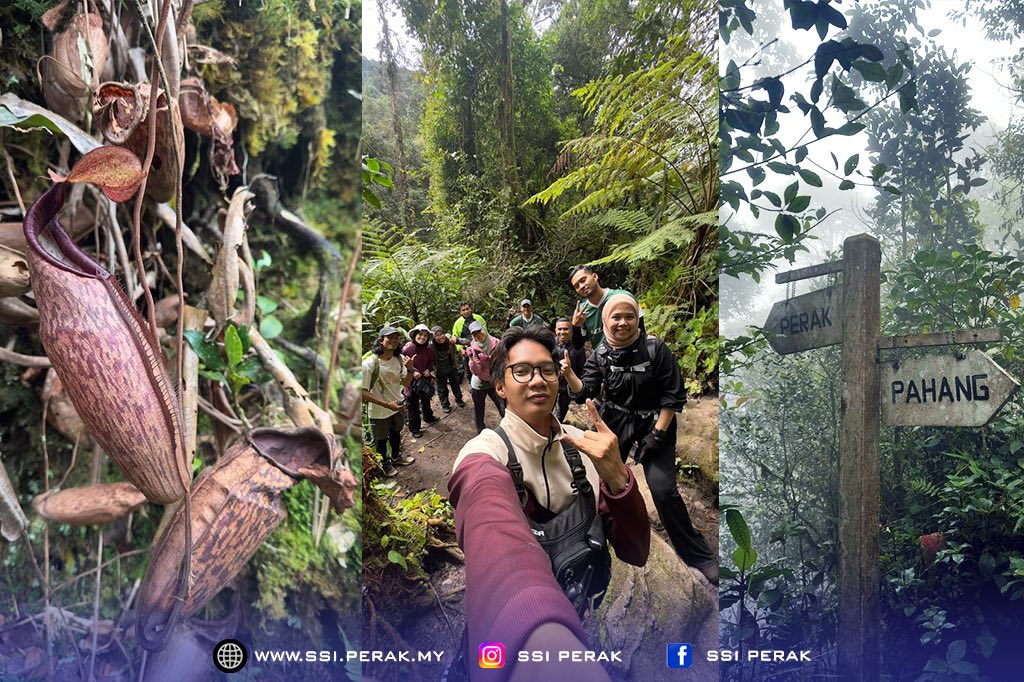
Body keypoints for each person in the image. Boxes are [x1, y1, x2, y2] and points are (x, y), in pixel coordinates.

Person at [448, 325, 649, 682]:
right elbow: (489, 519)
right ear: (500, 387)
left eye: (547, 370)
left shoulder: (583, 445)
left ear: (558, 378)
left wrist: (619, 478)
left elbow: (634, 552)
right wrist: (540, 637)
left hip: (580, 603)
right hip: (518, 634)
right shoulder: (484, 453)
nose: (537, 380)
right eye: (521, 371)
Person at [562, 294, 718, 584]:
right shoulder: (600, 353)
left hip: (656, 421)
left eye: (629, 316)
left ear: (638, 318)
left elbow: (673, 395)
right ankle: (599, 537)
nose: (622, 323)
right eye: (616, 317)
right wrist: (570, 374)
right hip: (616, 420)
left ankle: (699, 555)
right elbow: (586, 390)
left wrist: (657, 434)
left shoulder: (655, 349)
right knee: (601, 479)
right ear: (605, 321)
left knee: (663, 490)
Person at [361, 325, 415, 477]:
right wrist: (386, 405)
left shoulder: (398, 359)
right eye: (389, 338)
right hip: (379, 410)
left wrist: (410, 369)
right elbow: (362, 392)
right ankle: (384, 464)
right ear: (380, 341)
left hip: (396, 405)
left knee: (396, 433)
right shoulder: (369, 364)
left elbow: (405, 383)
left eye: (397, 338)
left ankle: (396, 457)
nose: (394, 340)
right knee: (381, 440)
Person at [569, 265, 644, 349]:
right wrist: (575, 326)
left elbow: (641, 331)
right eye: (577, 286)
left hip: (630, 352)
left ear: (595, 276)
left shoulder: (623, 297)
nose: (581, 286)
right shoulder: (582, 311)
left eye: (583, 280)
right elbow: (578, 346)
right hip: (602, 359)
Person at [463, 321, 505, 433]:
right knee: (479, 409)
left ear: (484, 329)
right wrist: (472, 360)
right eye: (475, 334)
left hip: (495, 380)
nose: (479, 335)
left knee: (503, 406)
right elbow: (477, 371)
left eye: (479, 331)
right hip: (480, 383)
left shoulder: (496, 342)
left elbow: (502, 361)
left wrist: (489, 358)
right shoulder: (473, 348)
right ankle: (480, 430)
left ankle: (508, 427)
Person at [402, 324, 440, 438]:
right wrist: (413, 372)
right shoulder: (407, 349)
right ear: (414, 335)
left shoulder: (428, 349)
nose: (422, 337)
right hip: (411, 382)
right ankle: (415, 429)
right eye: (420, 335)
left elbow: (432, 361)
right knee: (413, 406)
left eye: (425, 335)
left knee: (426, 399)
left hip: (424, 380)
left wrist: (429, 369)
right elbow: (401, 364)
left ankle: (428, 417)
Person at [553, 318, 586, 422]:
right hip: (552, 382)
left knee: (562, 409)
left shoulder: (578, 347)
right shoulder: (550, 345)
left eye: (566, 329)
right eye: (560, 329)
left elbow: (582, 368)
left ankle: (557, 428)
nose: (562, 332)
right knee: (547, 406)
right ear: (555, 330)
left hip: (567, 386)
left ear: (571, 331)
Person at [431, 325, 465, 414]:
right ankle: (445, 404)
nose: (440, 337)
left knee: (455, 384)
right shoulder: (431, 346)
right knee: (442, 388)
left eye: (441, 334)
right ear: (433, 337)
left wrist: (456, 340)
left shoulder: (449, 341)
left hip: (451, 366)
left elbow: (463, 342)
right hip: (439, 370)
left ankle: (459, 399)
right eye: (437, 335)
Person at [452, 302, 485, 383]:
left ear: (471, 309)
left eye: (467, 309)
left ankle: (485, 380)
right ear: (460, 312)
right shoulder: (458, 323)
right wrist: (460, 349)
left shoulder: (478, 318)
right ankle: (472, 384)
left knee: (484, 364)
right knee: (469, 367)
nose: (466, 311)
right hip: (467, 349)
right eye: (463, 310)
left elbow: (485, 331)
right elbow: (455, 337)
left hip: (480, 346)